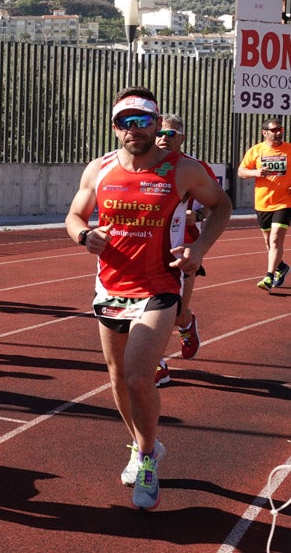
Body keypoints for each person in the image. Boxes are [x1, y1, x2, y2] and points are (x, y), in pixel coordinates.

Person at [66, 87, 230, 511]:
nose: (134, 129)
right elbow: (73, 215)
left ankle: (147, 456)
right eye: (125, 121)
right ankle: (143, 447)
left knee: (140, 378)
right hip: (110, 287)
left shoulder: (183, 169)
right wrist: (85, 235)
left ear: (157, 125)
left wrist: (198, 250)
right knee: (118, 378)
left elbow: (222, 205)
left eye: (142, 121)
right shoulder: (99, 169)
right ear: (114, 127)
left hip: (160, 286)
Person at [152, 114, 215, 387]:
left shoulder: (193, 167)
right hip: (147, 250)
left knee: (176, 311)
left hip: (183, 251)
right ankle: (157, 365)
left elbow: (218, 205)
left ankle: (187, 324)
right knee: (147, 311)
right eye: (160, 133)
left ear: (183, 138)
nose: (164, 139)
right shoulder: (141, 163)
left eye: (171, 134)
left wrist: (197, 217)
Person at [237, 118, 291, 292]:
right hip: (262, 203)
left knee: (275, 239)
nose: (278, 133)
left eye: (280, 129)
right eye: (274, 130)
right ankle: (281, 266)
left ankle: (269, 276)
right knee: (269, 243)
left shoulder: (289, 150)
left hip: (284, 202)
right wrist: (256, 172)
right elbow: (241, 171)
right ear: (264, 132)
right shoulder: (256, 151)